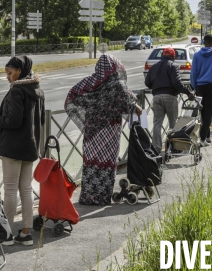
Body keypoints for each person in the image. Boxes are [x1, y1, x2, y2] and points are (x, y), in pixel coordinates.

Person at [0, 55, 44, 245]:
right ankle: (26, 233)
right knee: (26, 189)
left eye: (10, 73)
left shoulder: (18, 91)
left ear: (20, 71)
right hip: (30, 147)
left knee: (10, 190)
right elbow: (39, 121)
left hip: (13, 147)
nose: (7, 77)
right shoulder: (37, 90)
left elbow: (13, 121)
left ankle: (6, 234)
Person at [65, 54, 141, 205]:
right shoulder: (116, 83)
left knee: (91, 162)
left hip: (92, 131)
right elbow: (127, 102)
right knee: (106, 162)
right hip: (109, 131)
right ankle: (101, 197)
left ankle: (88, 197)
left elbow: (72, 97)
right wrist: (137, 107)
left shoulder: (90, 82)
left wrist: (85, 114)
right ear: (114, 66)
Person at [144, 47, 195, 153]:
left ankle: (156, 149)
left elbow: (147, 83)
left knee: (157, 124)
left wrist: (156, 86)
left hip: (156, 97)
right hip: (170, 96)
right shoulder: (173, 66)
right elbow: (176, 83)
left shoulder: (153, 67)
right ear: (173, 56)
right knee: (173, 124)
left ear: (163, 55)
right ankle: (174, 148)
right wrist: (188, 92)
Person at [190, 34, 212, 146]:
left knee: (203, 112)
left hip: (200, 86)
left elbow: (193, 73)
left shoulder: (196, 55)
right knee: (209, 113)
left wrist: (194, 87)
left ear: (203, 42)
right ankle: (203, 138)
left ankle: (208, 136)